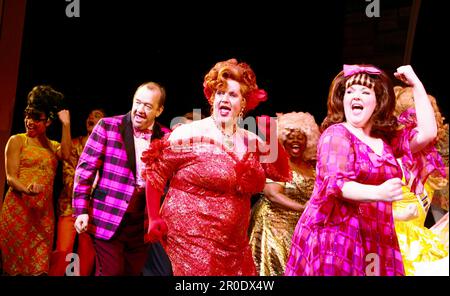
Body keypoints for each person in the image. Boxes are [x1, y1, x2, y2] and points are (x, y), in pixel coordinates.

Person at [285, 64, 438, 276]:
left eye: (365, 92)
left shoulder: (384, 141)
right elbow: (336, 184)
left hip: (375, 233)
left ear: (377, 103)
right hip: (336, 233)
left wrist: (416, 84)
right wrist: (378, 193)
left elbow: (427, 134)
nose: (356, 96)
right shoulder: (337, 134)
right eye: (350, 91)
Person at [142, 58, 290, 276]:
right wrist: (154, 216)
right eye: (220, 93)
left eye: (232, 94)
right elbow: (156, 174)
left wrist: (273, 138)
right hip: (190, 238)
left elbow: (279, 173)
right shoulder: (189, 133)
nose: (225, 99)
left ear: (243, 103)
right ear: (211, 97)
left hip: (234, 244)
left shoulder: (251, 140)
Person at [72, 82, 170, 276]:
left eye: (148, 106)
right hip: (107, 216)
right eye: (138, 102)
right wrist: (81, 209)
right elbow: (85, 170)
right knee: (111, 271)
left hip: (142, 225)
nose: (140, 110)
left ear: (159, 110)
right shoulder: (108, 126)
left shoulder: (167, 137)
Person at [0, 85, 71, 275]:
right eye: (27, 115)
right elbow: (10, 178)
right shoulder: (17, 141)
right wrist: (26, 189)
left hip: (42, 216)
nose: (29, 121)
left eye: (36, 117)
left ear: (48, 121)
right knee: (15, 269)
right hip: (18, 212)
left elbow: (66, 153)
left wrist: (66, 124)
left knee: (40, 269)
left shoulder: (53, 146)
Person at [249, 111, 320, 275]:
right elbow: (272, 194)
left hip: (301, 228)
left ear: (308, 140)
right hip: (274, 225)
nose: (295, 140)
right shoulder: (277, 161)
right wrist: (304, 208)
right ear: (281, 138)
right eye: (290, 136)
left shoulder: (311, 166)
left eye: (300, 136)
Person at [391, 86, 448, 276]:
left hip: (417, 244)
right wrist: (397, 215)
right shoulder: (389, 160)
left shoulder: (426, 163)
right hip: (390, 245)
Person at [49, 108, 106, 276]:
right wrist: (88, 188)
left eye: (97, 116)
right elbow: (68, 177)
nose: (91, 117)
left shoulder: (107, 150)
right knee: (63, 252)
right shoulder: (74, 144)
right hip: (70, 206)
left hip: (94, 211)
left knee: (86, 256)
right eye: (90, 115)